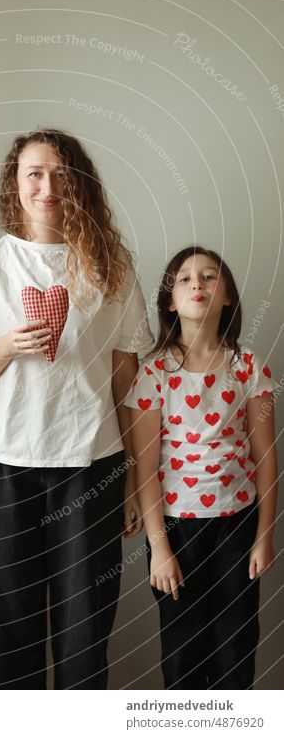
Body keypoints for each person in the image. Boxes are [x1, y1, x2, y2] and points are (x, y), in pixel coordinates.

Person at [0, 128, 154, 689]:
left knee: (84, 639)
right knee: (2, 641)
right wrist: (5, 348)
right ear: (15, 185)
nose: (48, 186)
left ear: (78, 183)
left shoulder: (111, 268)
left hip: (90, 466)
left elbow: (126, 384)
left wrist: (136, 479)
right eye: (35, 173)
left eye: (62, 174)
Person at [125, 246, 278, 689]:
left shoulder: (248, 367)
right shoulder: (154, 373)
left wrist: (264, 537)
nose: (198, 284)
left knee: (236, 641)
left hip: (238, 524)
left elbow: (266, 459)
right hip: (176, 528)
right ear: (170, 301)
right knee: (182, 643)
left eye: (210, 277)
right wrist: (159, 549)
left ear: (227, 295)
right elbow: (146, 469)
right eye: (185, 279)